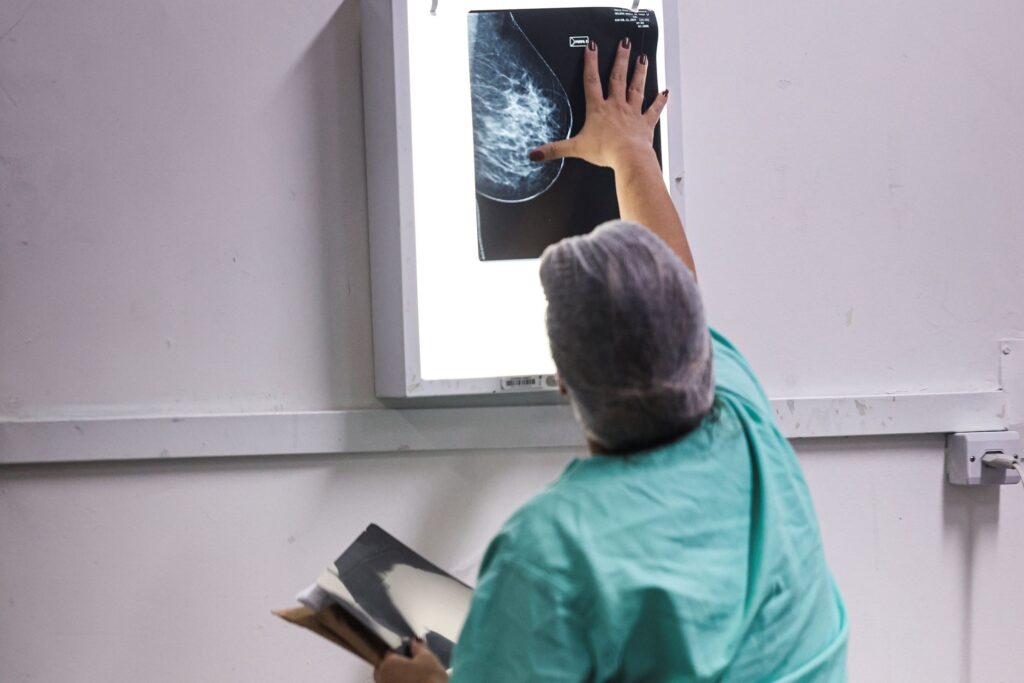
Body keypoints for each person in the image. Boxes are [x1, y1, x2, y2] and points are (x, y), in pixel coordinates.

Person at [375, 37, 848, 683]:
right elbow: (677, 279)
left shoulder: (554, 547)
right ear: (694, 344)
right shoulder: (744, 420)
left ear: (563, 380)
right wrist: (630, 150)